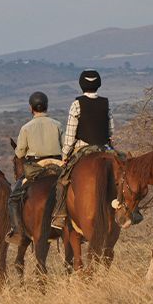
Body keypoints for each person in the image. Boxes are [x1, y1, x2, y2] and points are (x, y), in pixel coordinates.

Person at [52, 69, 114, 228]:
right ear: (98, 84)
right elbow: (111, 130)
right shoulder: (106, 103)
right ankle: (129, 209)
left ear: (81, 85)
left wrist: (65, 154)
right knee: (126, 171)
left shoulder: (76, 104)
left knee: (62, 180)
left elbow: (70, 134)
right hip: (104, 148)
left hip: (83, 149)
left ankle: (60, 213)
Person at [8, 92, 63, 243]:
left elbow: (19, 153)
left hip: (36, 167)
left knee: (13, 199)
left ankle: (18, 231)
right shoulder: (58, 124)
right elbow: (66, 147)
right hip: (57, 166)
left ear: (31, 108)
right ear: (46, 106)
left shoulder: (26, 128)